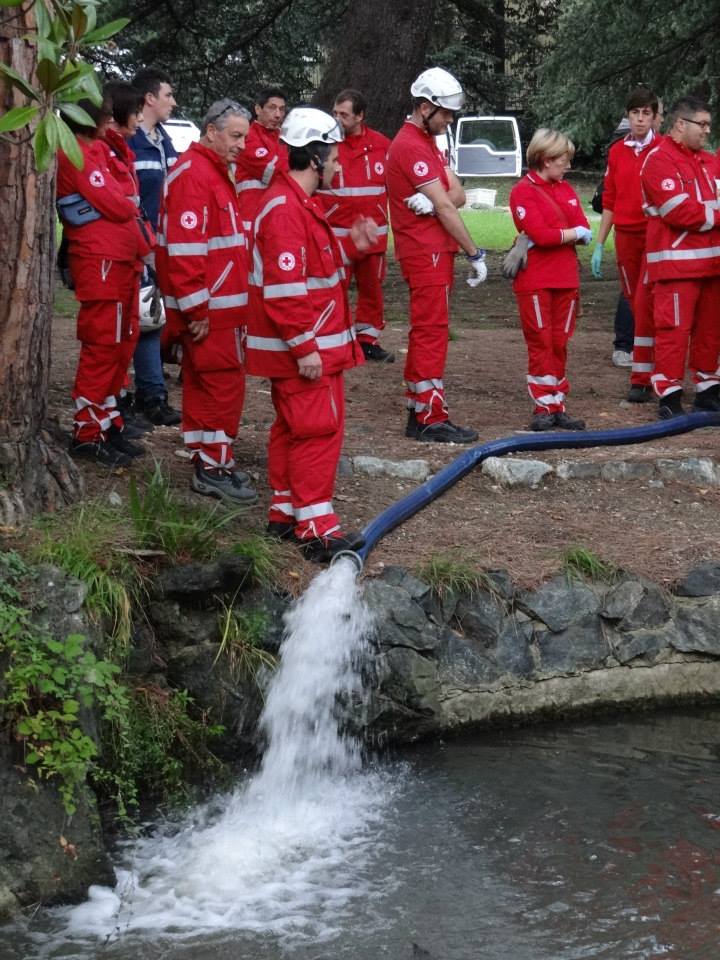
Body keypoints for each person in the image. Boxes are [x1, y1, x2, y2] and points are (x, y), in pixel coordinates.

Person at [245, 107, 373, 563]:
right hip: (305, 349)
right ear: (315, 159)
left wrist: (350, 246)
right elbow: (286, 289)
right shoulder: (286, 210)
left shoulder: (294, 204)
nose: (338, 166)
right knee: (318, 431)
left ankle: (284, 513)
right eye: (333, 157)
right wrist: (304, 346)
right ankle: (316, 528)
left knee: (292, 429)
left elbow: (312, 268)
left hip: (304, 346)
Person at [155, 99, 257, 503]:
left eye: (245, 137)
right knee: (222, 385)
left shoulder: (209, 171)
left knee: (204, 383)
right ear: (211, 131)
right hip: (213, 309)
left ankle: (206, 457)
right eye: (236, 136)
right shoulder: (196, 175)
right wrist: (196, 308)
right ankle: (214, 467)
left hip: (217, 305)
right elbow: (185, 249)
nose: (242, 145)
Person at [386, 67, 486, 444]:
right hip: (425, 250)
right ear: (425, 107)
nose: (450, 120)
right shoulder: (412, 145)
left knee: (428, 331)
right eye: (446, 113)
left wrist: (437, 201)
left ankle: (421, 410)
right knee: (431, 332)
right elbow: (447, 204)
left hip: (430, 250)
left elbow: (456, 195)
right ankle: (430, 416)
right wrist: (474, 252)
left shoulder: (427, 141)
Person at [56, 97, 151, 466]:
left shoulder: (93, 150)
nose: (111, 124)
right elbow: (119, 204)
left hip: (118, 261)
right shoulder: (75, 154)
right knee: (101, 347)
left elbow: (123, 198)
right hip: (101, 263)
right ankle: (87, 433)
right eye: (106, 117)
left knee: (119, 346)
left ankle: (107, 422)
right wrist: (123, 203)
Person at [639, 95, 720, 419]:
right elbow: (678, 211)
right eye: (702, 124)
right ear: (680, 124)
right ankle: (669, 395)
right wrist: (715, 215)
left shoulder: (709, 161)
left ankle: (707, 390)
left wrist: (709, 215)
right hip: (675, 266)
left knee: (710, 331)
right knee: (673, 330)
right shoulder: (659, 159)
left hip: (712, 264)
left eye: (709, 125)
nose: (707, 130)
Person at [508, 128, 591, 431]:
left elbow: (583, 227)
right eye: (563, 159)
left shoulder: (565, 189)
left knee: (559, 342)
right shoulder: (523, 191)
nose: (568, 165)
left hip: (566, 278)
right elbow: (542, 235)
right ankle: (544, 404)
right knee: (540, 341)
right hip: (536, 279)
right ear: (546, 159)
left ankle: (557, 402)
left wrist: (570, 234)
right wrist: (573, 234)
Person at [590, 87, 660, 400]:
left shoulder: (662, 148)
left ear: (655, 117)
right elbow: (610, 199)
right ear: (628, 116)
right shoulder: (618, 151)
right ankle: (644, 364)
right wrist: (600, 243)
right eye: (635, 113)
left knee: (649, 298)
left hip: (655, 233)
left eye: (646, 113)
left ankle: (647, 372)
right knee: (634, 299)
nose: (640, 119)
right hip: (626, 235)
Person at [317, 88, 393, 363]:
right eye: (335, 113)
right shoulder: (325, 144)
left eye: (344, 114)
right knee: (333, 289)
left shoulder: (382, 145)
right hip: (336, 236)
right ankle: (333, 338)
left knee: (372, 290)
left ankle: (367, 340)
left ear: (360, 116)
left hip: (373, 236)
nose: (337, 119)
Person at [128, 67, 181, 427]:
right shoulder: (131, 141)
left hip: (163, 244)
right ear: (149, 98)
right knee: (144, 318)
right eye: (167, 95)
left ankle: (151, 391)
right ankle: (148, 395)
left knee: (154, 316)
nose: (173, 102)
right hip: (137, 244)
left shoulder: (164, 140)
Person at [234, 86, 289, 226]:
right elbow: (274, 172)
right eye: (272, 108)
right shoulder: (247, 137)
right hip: (251, 218)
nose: (278, 115)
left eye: (282, 109)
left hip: (275, 216)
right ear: (258, 109)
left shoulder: (284, 137)